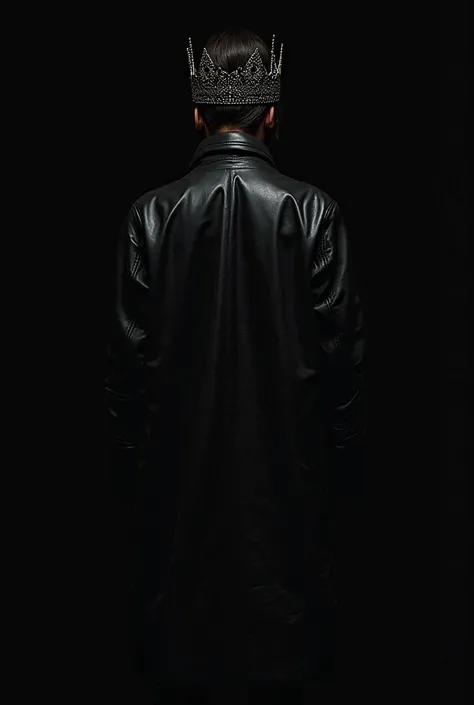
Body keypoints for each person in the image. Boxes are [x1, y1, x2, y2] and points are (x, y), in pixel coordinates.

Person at [106, 27, 366, 705]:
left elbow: (126, 378)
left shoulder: (150, 215)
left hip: (175, 522)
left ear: (197, 113)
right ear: (271, 113)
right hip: (290, 516)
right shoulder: (313, 212)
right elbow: (343, 373)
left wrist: (133, 484)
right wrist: (341, 485)